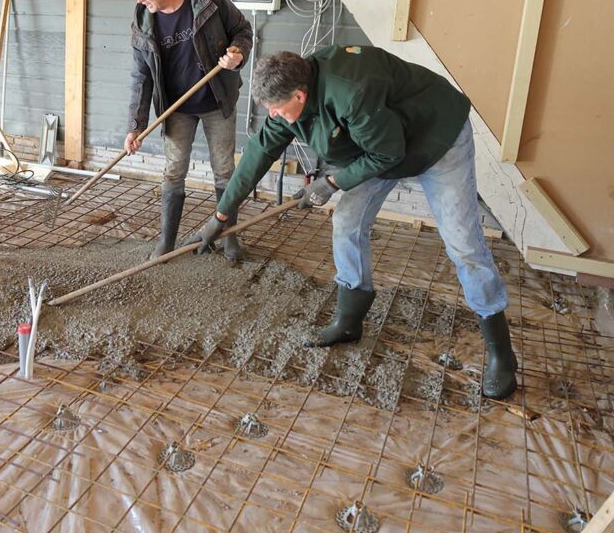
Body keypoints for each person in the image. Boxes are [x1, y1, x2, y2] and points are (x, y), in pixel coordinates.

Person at [194, 46, 517, 399]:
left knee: (463, 243)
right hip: (379, 144)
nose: (272, 115)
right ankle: (348, 323)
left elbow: (388, 153)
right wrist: (221, 216)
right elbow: (259, 151)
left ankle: (501, 354)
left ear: (299, 95)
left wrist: (331, 182)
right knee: (347, 221)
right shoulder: (291, 91)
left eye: (276, 109)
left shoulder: (351, 93)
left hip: (434, 138)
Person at [126, 0, 252, 261]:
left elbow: (243, 32)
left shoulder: (211, 2)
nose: (140, 0)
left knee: (224, 170)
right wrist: (136, 125)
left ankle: (229, 237)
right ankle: (167, 242)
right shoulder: (143, 21)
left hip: (216, 100)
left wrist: (237, 53)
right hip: (176, 108)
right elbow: (141, 77)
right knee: (174, 171)